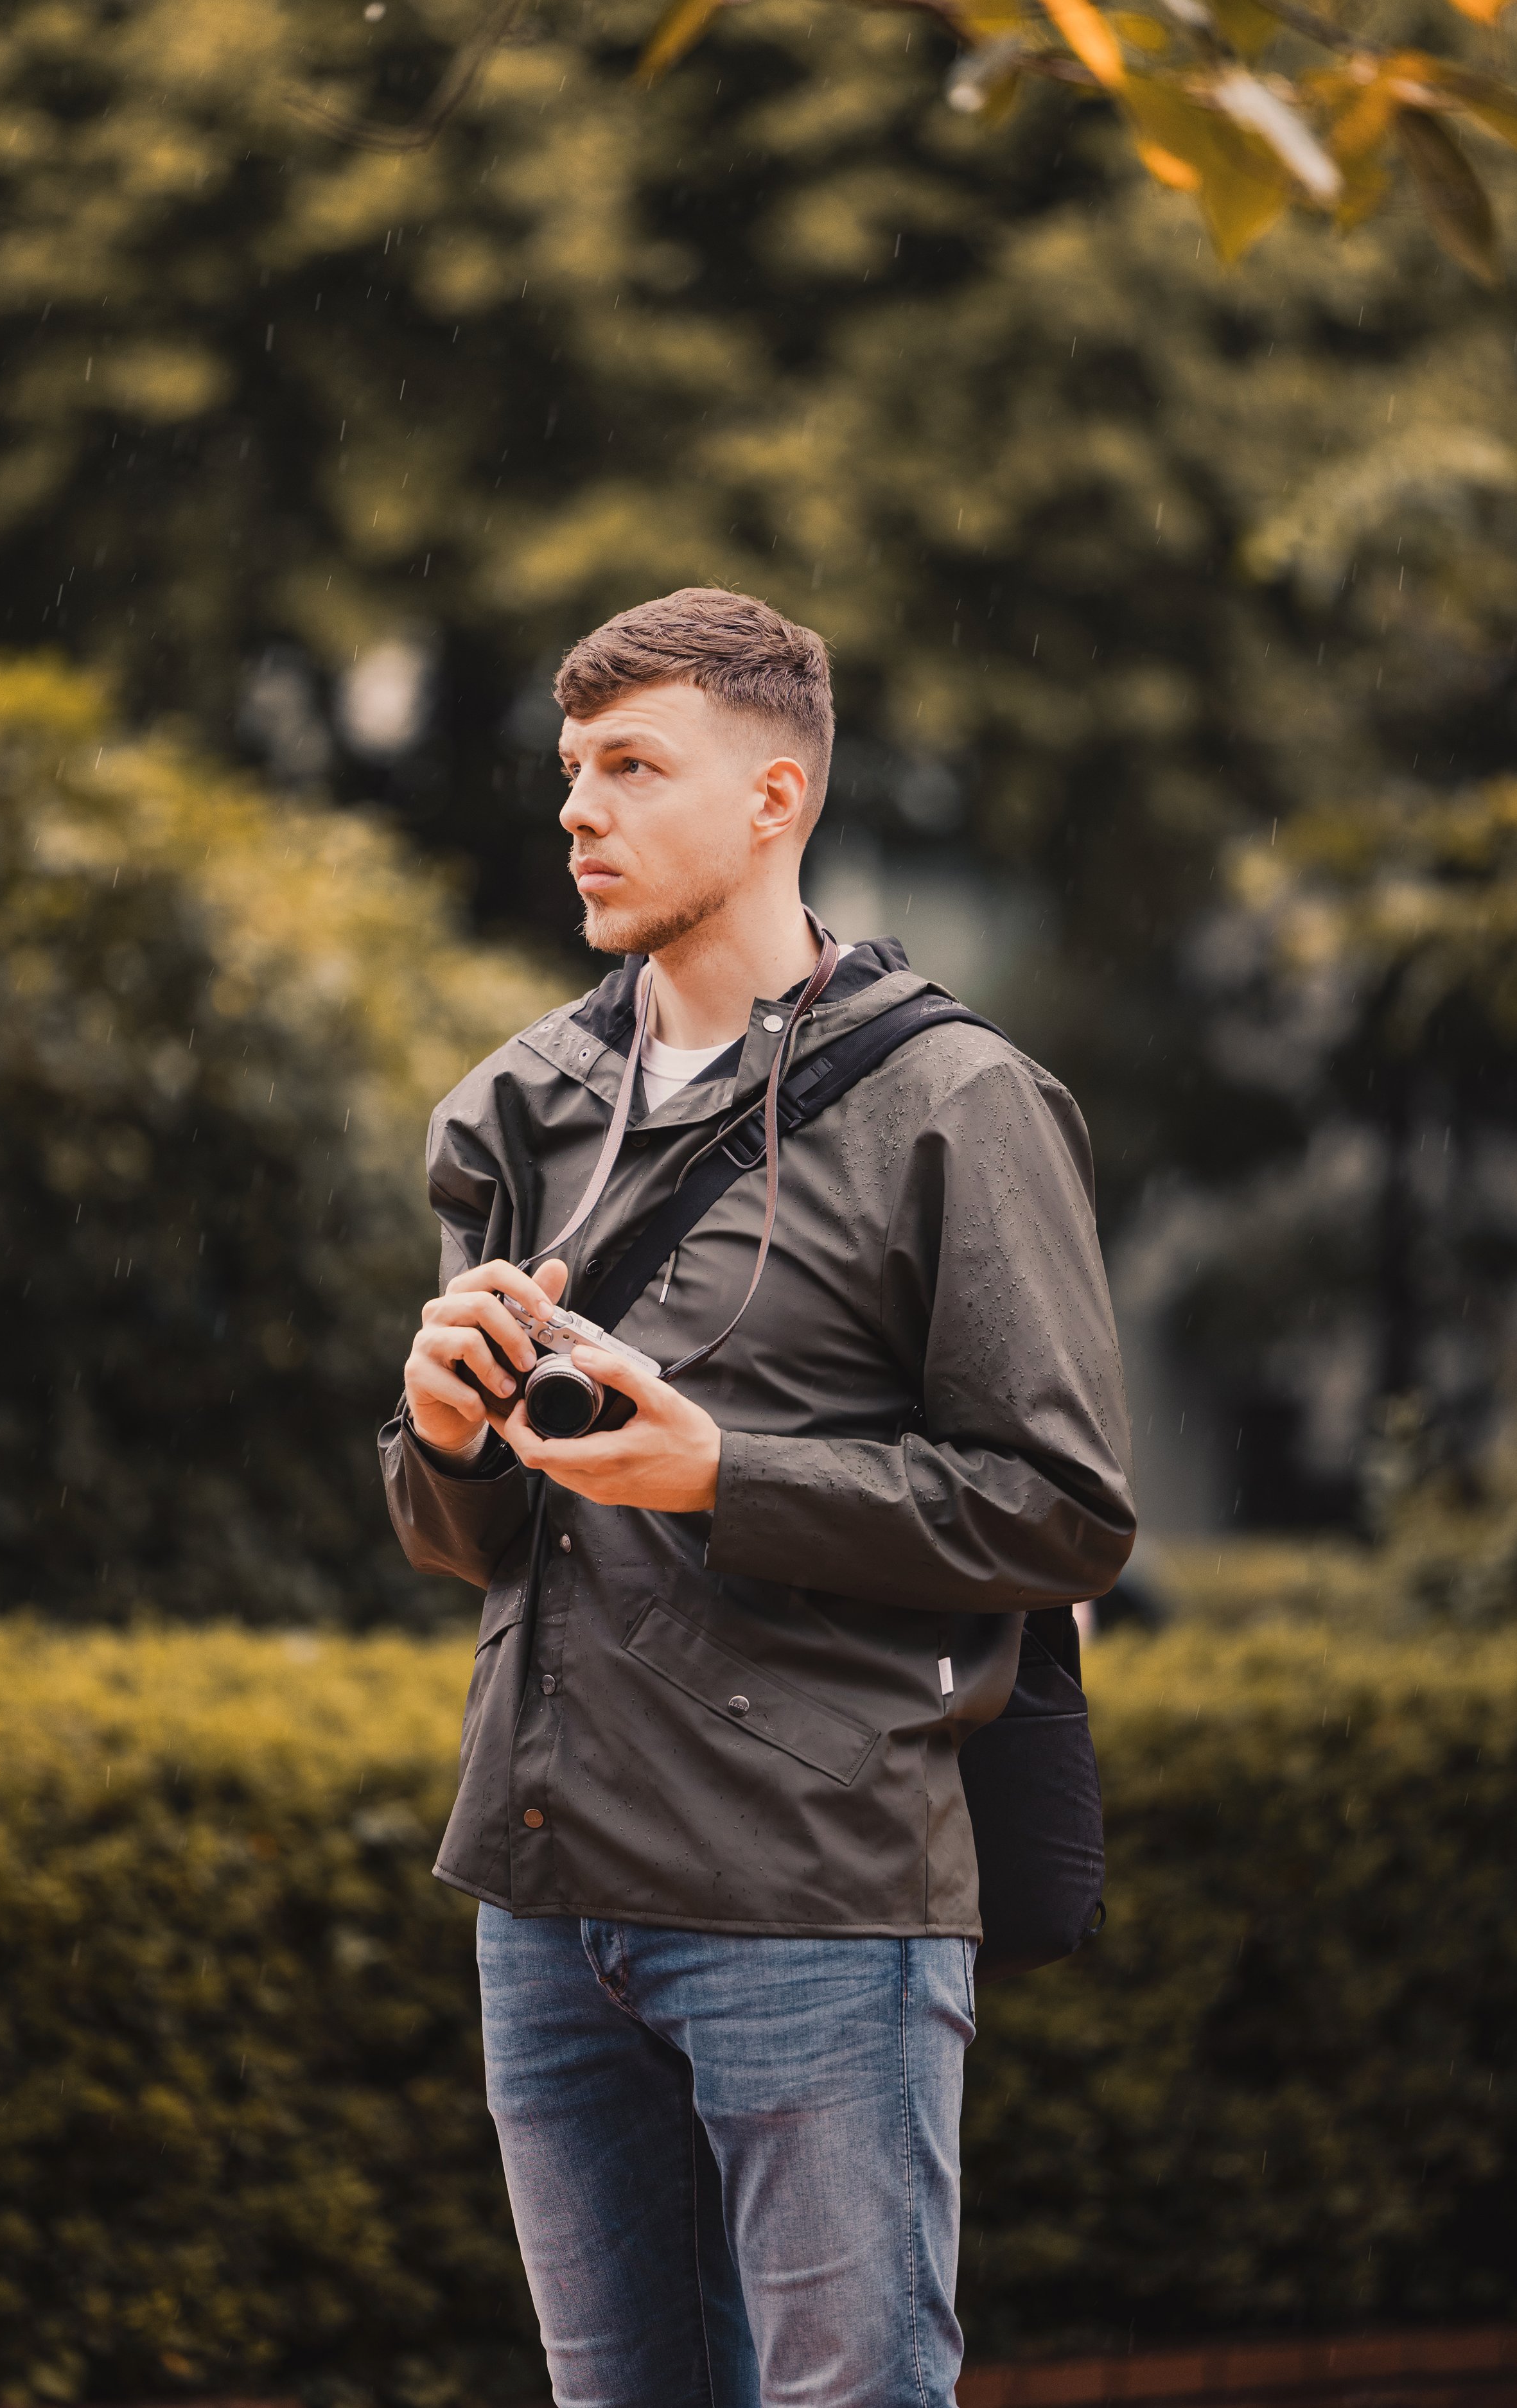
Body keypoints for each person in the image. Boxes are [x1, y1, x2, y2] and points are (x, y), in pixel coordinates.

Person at [380, 588, 1136, 2408]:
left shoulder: (956, 1104)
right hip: (542, 1902)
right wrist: (443, 1434)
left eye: (634, 767)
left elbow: (1061, 1508)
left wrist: (727, 1477)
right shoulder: (517, 1110)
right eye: (573, 769)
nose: (581, 808)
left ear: (776, 795)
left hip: (814, 1902)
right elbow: (467, 1543)